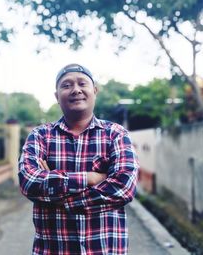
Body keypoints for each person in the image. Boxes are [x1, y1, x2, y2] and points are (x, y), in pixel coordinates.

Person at [18, 63, 139, 255]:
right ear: (57, 96)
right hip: (53, 249)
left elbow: (124, 188)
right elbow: (29, 181)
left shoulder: (115, 134)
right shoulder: (40, 135)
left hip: (104, 249)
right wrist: (91, 178)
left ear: (94, 91)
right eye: (66, 85)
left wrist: (60, 195)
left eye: (82, 83)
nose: (76, 90)